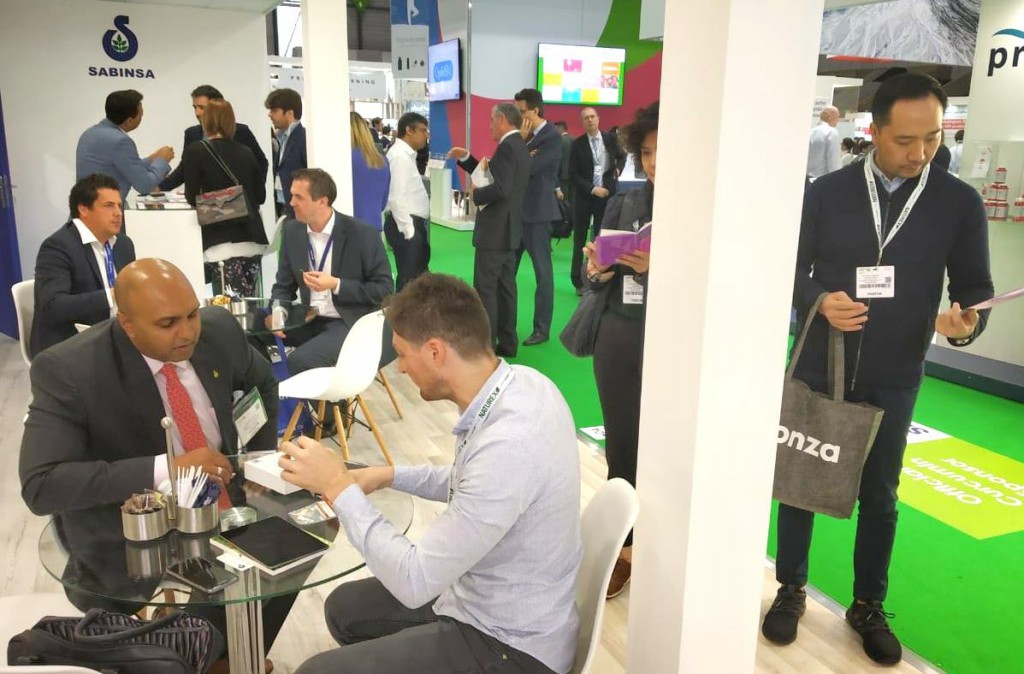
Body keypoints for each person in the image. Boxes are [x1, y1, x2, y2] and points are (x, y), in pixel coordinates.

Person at [762, 73, 994, 666]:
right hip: (822, 360)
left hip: (897, 368)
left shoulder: (958, 203)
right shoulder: (827, 193)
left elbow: (975, 289)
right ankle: (790, 587)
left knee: (881, 492)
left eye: (932, 138)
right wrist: (818, 299)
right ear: (875, 132)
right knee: (802, 480)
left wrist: (965, 323)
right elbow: (788, 268)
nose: (921, 153)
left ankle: (868, 603)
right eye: (905, 141)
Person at [277, 272, 582, 674]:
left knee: (314, 671)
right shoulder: (523, 384)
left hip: (510, 646)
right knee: (343, 609)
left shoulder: (509, 445)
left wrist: (337, 486)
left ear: (435, 351)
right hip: (482, 598)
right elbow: (469, 482)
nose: (401, 369)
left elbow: (414, 580)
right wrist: (387, 475)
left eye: (402, 354)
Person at [20, 258, 287, 673]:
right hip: (132, 527)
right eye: (168, 324)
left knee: (294, 545)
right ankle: (202, 650)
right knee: (223, 589)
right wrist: (168, 469)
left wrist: (258, 460)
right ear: (127, 323)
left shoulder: (218, 330)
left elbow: (263, 382)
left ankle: (215, 654)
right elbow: (41, 484)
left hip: (225, 500)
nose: (188, 332)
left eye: (192, 315)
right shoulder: (71, 369)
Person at [581, 102, 657, 599]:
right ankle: (625, 549)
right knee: (622, 443)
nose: (653, 162)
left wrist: (656, 269)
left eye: (662, 151)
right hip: (618, 333)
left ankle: (661, 543)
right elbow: (593, 275)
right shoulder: (625, 201)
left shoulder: (705, 211)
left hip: (670, 342)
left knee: (665, 449)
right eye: (646, 152)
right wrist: (597, 268)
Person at [270, 168, 394, 375]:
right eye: (292, 195)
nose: (291, 203)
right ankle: (272, 395)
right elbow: (283, 285)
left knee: (301, 361)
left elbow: (385, 290)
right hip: (309, 318)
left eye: (299, 197)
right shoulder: (292, 231)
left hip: (349, 321)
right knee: (245, 334)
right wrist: (278, 311)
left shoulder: (362, 234)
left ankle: (321, 398)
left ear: (322, 201)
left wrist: (336, 285)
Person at [446, 103, 530, 358]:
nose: (489, 125)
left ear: (502, 119)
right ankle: (508, 342)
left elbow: (500, 188)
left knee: (486, 290)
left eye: (492, 120)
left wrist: (476, 195)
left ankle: (486, 347)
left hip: (494, 231)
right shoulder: (519, 146)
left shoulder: (507, 147)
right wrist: (466, 158)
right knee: (506, 289)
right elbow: (494, 177)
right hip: (509, 230)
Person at [31, 174, 135, 357]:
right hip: (71, 342)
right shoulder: (57, 247)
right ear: (83, 209)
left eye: (119, 205)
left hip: (115, 332)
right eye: (109, 206)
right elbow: (53, 306)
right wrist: (112, 296)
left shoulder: (123, 244)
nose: (118, 213)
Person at [182, 99, 267, 297]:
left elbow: (191, 196)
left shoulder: (196, 151)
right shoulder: (246, 152)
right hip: (252, 237)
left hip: (219, 240)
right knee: (250, 302)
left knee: (227, 305)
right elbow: (260, 196)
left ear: (206, 121)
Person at [513, 88, 561, 346]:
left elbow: (527, 167)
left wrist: (521, 144)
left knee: (543, 273)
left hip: (539, 214)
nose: (519, 116)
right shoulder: (526, 136)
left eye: (522, 112)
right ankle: (504, 325)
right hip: (518, 213)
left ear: (535, 110)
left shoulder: (551, 137)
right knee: (506, 271)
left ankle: (542, 329)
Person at [160, 84, 269, 193]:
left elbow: (261, 162)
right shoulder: (192, 134)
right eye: (195, 107)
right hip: (205, 200)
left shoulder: (240, 132)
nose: (197, 113)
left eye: (202, 107)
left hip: (237, 199)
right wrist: (160, 187)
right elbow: (185, 168)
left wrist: (254, 192)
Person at [76, 89, 174, 204]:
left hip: (88, 206)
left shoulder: (90, 133)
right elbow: (145, 185)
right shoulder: (121, 141)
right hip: (104, 209)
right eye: (141, 115)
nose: (142, 117)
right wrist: (162, 160)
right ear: (129, 121)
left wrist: (152, 158)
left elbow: (124, 168)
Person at [568, 107, 623, 295]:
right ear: (583, 122)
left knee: (601, 238)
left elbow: (622, 155)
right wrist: (592, 189)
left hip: (606, 196)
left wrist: (617, 169)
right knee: (579, 240)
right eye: (586, 118)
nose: (590, 120)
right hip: (584, 197)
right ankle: (578, 281)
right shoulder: (577, 145)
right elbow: (572, 174)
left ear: (598, 119)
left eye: (592, 117)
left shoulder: (611, 139)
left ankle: (599, 277)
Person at [384, 112, 431, 290]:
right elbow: (397, 196)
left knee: (416, 279)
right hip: (406, 225)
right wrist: (409, 231)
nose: (426, 135)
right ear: (409, 130)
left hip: (409, 224)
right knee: (408, 282)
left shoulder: (404, 155)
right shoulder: (400, 157)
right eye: (422, 130)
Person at [265, 88, 307, 218]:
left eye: (274, 110)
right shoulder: (281, 139)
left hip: (299, 211)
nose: (270, 115)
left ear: (289, 113)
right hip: (284, 208)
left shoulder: (303, 138)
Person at [351, 112, 391, 231]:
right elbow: (383, 202)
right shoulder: (382, 161)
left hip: (349, 228)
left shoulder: (344, 160)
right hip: (373, 226)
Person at [807, 105, 842, 179]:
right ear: (830, 116)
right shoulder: (832, 132)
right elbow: (833, 161)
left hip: (808, 178)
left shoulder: (811, 131)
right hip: (823, 178)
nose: (838, 120)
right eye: (837, 117)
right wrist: (837, 179)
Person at [553, 120, 573, 201]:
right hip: (574, 180)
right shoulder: (575, 140)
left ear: (559, 128)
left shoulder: (558, 141)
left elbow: (555, 162)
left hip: (561, 179)